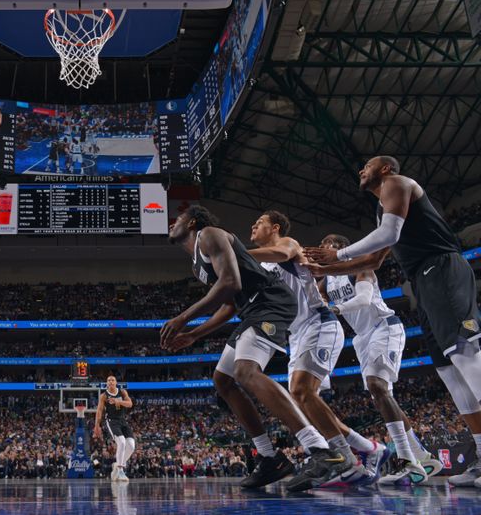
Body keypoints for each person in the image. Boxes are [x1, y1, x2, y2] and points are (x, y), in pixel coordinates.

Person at [304, 156, 481, 487]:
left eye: (367, 165)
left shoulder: (397, 184)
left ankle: (417, 457)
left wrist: (338, 256)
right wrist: (325, 270)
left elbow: (386, 236)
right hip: (422, 281)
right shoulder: (383, 208)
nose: (361, 170)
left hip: (441, 268)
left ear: (385, 168)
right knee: (449, 371)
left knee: (466, 355)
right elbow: (374, 257)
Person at [161, 205, 352, 491]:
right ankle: (269, 457)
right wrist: (194, 335)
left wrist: (183, 317)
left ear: (193, 223)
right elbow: (228, 302)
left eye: (178, 220)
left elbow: (230, 282)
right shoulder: (197, 263)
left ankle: (323, 451)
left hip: (270, 302)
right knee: (222, 380)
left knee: (245, 371)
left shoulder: (209, 235)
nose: (172, 224)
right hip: (250, 309)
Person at [248, 211, 379, 484]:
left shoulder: (288, 245)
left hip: (318, 324)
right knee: (303, 401)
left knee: (301, 391)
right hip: (296, 335)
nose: (253, 226)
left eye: (258, 223)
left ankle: (344, 460)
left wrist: (236, 253)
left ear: (274, 228)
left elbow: (283, 257)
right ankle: (369, 449)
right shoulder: (262, 266)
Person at [318, 233, 443, 484]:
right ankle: (422, 456)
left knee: (377, 386)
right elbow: (317, 298)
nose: (322, 247)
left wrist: (335, 309)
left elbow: (364, 299)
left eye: (326, 244)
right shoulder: (328, 279)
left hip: (383, 327)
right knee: (382, 396)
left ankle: (408, 461)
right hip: (362, 337)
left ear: (341, 248)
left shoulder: (360, 265)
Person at [93, 375, 135, 482]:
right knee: (121, 442)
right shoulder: (104, 396)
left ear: (116, 382)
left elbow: (130, 404)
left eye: (112, 380)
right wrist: (97, 426)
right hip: (111, 421)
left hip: (122, 421)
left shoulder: (122, 392)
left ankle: (118, 464)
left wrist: (118, 401)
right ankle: (121, 471)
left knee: (131, 445)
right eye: (108, 380)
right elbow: (99, 411)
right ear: (107, 383)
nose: (110, 382)